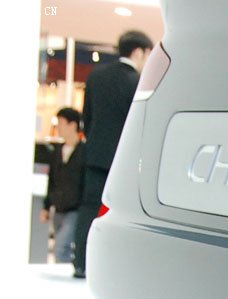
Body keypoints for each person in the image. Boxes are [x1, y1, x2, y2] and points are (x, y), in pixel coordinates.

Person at [72, 30, 153, 278]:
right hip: (123, 160)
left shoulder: (96, 76)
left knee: (88, 209)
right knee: (122, 213)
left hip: (95, 155)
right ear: (138, 52)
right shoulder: (137, 81)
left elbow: (87, 117)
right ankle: (115, 268)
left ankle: (80, 263)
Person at [41, 107, 84, 264]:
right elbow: (52, 180)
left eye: (61, 123)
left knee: (61, 247)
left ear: (72, 125)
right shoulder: (58, 151)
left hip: (75, 209)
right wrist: (47, 206)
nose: (58, 127)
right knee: (61, 248)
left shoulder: (84, 152)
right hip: (58, 208)